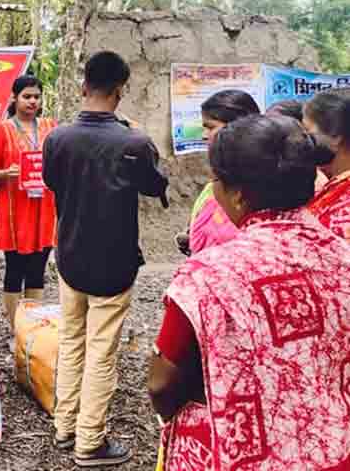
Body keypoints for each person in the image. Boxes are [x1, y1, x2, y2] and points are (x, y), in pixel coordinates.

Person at [148, 115, 350, 470]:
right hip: (335, 448)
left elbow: (161, 384)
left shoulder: (209, 276)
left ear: (238, 195)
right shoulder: (341, 254)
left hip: (238, 454)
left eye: (216, 183)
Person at [43, 51, 168, 466]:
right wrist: (141, 134)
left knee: (71, 340)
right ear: (120, 91)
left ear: (83, 87)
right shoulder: (133, 142)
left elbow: (51, 182)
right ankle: (89, 442)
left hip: (70, 256)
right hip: (113, 263)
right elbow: (155, 186)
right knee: (101, 351)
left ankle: (64, 427)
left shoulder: (57, 139)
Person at [0, 75, 57, 349]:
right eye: (27, 96)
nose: (32, 101)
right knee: (15, 270)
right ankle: (16, 330)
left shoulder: (51, 127)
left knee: (38, 268)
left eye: (36, 96)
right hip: (15, 211)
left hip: (45, 209)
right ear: (14, 98)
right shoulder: (2, 130)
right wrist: (6, 173)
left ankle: (32, 330)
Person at [178, 90, 260, 256]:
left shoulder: (255, 182)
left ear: (235, 127)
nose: (204, 135)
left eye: (210, 127)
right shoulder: (216, 183)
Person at [304, 89, 350, 238]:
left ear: (336, 137)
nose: (305, 141)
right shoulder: (337, 184)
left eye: (308, 132)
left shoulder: (344, 200)